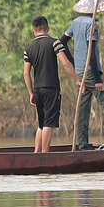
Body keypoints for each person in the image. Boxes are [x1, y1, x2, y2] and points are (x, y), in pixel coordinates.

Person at [64, 0, 104, 149]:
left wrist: (75, 63)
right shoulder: (92, 25)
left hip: (80, 73)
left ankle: (82, 146)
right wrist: (98, 80)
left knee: (82, 112)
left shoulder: (75, 22)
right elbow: (91, 54)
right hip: (90, 73)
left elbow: (61, 43)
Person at [22, 16, 77, 153]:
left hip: (38, 89)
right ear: (48, 29)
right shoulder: (55, 43)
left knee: (41, 124)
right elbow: (65, 63)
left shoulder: (29, 49)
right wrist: (77, 79)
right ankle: (45, 155)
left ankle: (36, 153)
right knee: (49, 123)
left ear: (33, 31)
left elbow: (26, 74)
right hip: (51, 87)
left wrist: (31, 93)